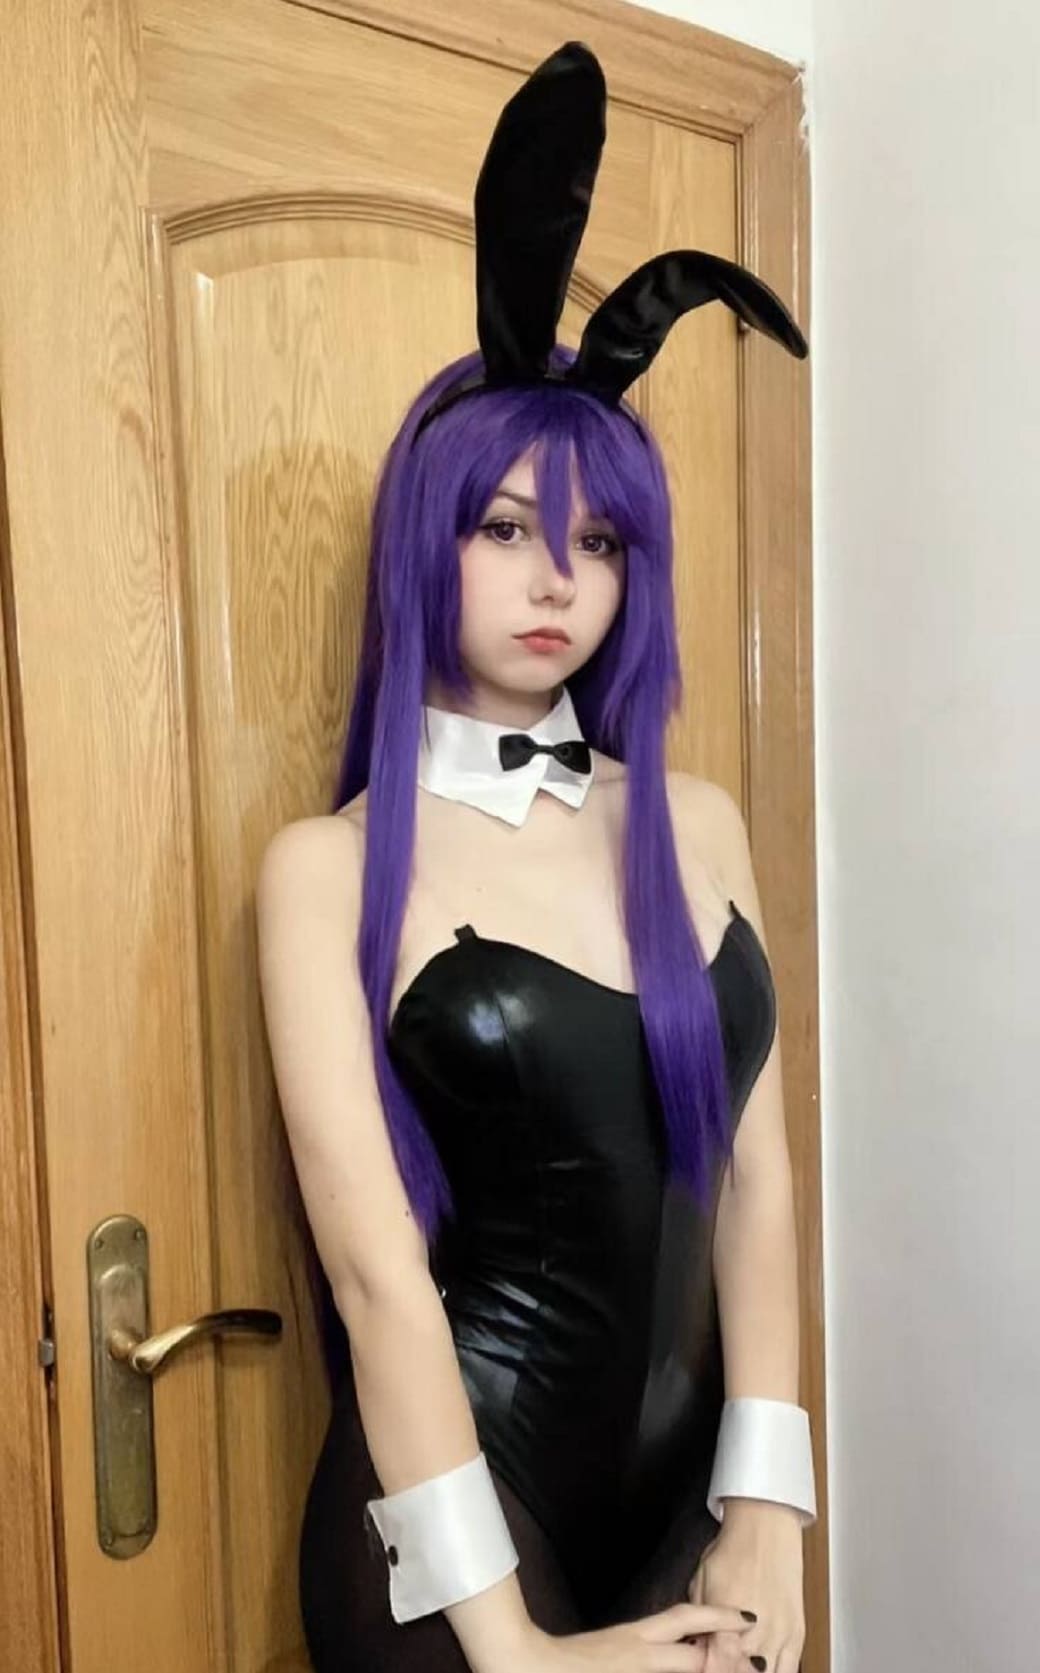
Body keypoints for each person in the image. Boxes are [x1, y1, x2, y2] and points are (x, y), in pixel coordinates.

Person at [255, 41, 814, 1673]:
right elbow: (377, 1277)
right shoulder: (325, 870)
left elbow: (757, 1179)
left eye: (597, 538)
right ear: (426, 544)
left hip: (694, 1502)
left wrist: (770, 1497)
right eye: (505, 527)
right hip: (455, 1533)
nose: (557, 578)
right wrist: (514, 1650)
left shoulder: (696, 820)